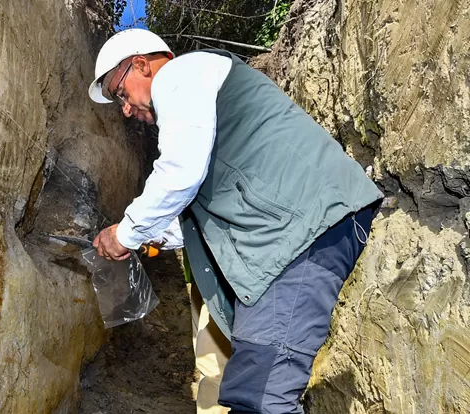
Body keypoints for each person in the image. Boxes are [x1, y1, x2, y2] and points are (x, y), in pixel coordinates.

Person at [88, 29, 383, 414]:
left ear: (142, 64)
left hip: (300, 237)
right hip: (291, 237)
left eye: (121, 93)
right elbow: (203, 207)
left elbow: (179, 174)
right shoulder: (201, 100)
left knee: (261, 397)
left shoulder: (180, 76)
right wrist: (148, 238)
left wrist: (126, 233)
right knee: (255, 390)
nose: (125, 109)